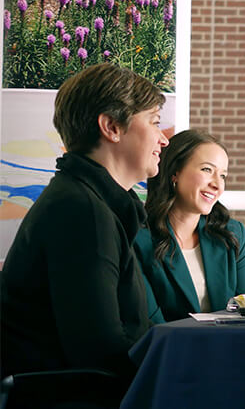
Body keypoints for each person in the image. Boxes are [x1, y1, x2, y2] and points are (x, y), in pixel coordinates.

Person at [0, 64, 168, 390]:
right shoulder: (83, 211)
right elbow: (99, 351)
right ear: (111, 127)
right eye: (155, 122)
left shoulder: (87, 202)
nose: (163, 139)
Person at [134, 129, 245, 323]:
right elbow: (151, 324)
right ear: (175, 173)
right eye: (207, 170)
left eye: (223, 175)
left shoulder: (233, 234)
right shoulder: (139, 237)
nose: (217, 184)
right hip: (168, 349)